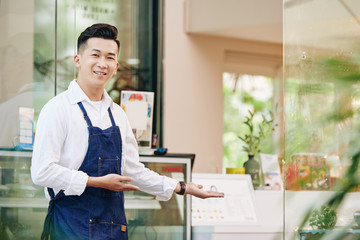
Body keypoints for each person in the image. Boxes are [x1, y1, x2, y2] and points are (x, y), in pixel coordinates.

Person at [31, 23, 224, 240]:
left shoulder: (118, 115)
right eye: (95, 55)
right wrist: (96, 182)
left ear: (116, 65)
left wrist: (182, 187)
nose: (102, 64)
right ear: (78, 60)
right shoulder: (58, 109)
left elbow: (134, 170)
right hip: (71, 227)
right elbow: (41, 171)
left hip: (113, 228)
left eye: (110, 57)